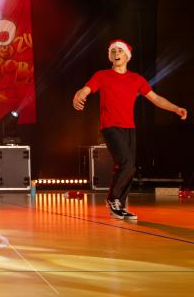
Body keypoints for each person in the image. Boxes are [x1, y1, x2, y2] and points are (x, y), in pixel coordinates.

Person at [73, 39, 187, 221]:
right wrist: (80, 95)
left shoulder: (136, 79)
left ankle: (119, 205)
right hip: (110, 126)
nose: (116, 53)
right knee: (126, 163)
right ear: (110, 56)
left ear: (127, 56)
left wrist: (175, 109)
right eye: (113, 51)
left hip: (129, 128)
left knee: (129, 168)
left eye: (120, 50)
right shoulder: (102, 75)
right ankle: (113, 200)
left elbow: (156, 98)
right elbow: (86, 89)